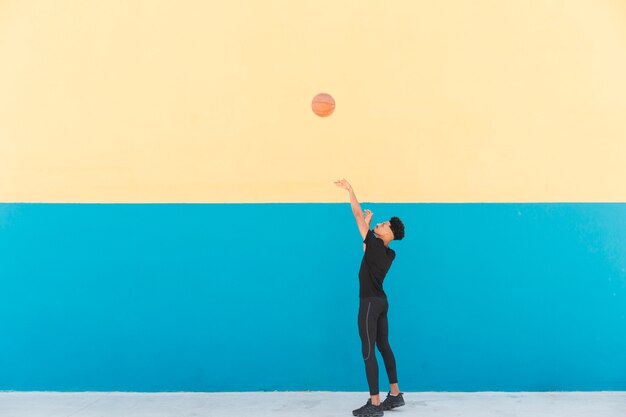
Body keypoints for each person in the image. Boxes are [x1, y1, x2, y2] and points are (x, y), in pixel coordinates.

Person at [334, 179, 406, 417]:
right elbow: (367, 249)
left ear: (389, 234)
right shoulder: (387, 253)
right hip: (381, 303)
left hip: (369, 304)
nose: (381, 223)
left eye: (384, 224)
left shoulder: (376, 245)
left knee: (368, 351)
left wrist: (351, 191)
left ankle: (375, 404)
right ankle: (395, 394)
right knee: (383, 346)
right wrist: (367, 224)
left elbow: (356, 213)